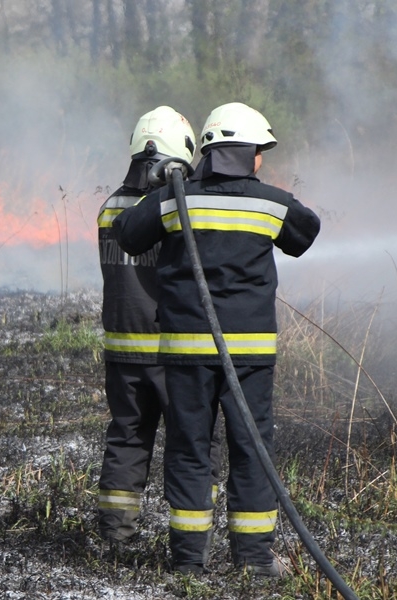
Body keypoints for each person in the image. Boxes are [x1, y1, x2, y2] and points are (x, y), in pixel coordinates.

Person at [112, 102, 321, 576]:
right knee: (252, 450)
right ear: (247, 153)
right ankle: (254, 559)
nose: (262, 159)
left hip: (186, 354)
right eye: (260, 150)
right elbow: (306, 231)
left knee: (189, 449)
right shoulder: (272, 203)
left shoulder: (174, 199)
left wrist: (163, 184)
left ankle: (189, 560)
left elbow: (127, 233)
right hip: (250, 357)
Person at [95, 106, 221, 548]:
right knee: (192, 443)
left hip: (121, 350)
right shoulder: (173, 206)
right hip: (171, 351)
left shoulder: (109, 206)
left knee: (127, 438)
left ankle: (115, 537)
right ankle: (193, 539)